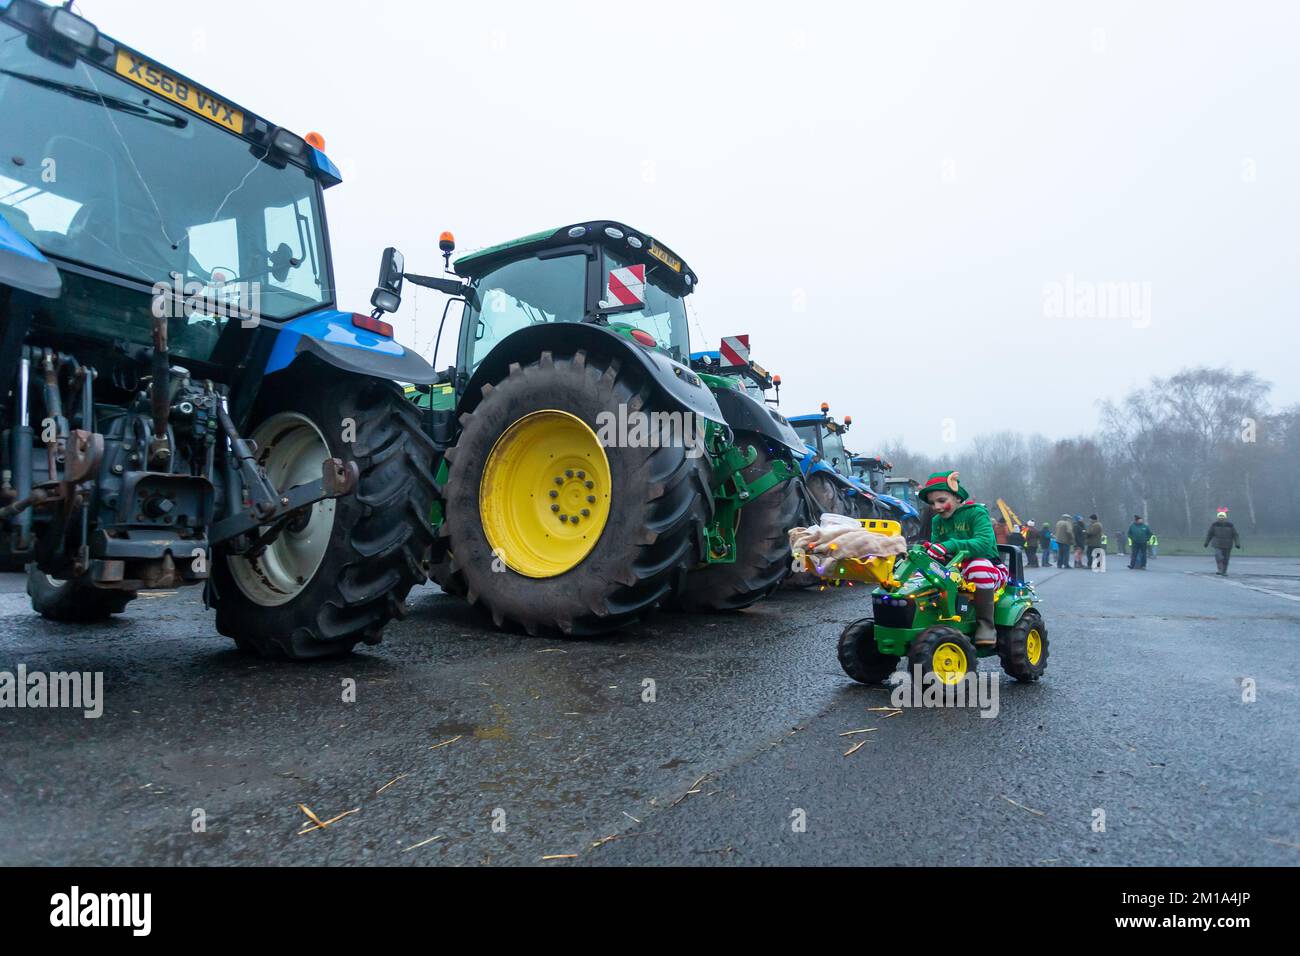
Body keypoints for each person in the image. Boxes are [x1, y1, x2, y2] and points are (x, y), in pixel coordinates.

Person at [916, 470, 1004, 647]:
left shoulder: (976, 513)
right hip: (955, 570)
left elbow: (984, 544)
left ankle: (986, 625)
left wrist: (949, 545)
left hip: (989, 569)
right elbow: (939, 551)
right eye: (932, 503)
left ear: (957, 497)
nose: (937, 507)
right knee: (922, 574)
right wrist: (931, 551)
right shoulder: (937, 521)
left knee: (978, 566)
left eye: (942, 500)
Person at [1203, 510, 1242, 575]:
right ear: (1218, 518)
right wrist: (1206, 543)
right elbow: (1210, 534)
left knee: (1226, 559)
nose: (1221, 519)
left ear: (1225, 518)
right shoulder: (1214, 525)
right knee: (1218, 556)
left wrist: (1237, 544)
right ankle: (1220, 570)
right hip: (1217, 544)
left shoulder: (1230, 525)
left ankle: (1224, 571)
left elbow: (1235, 535)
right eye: (1220, 517)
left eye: (1222, 517)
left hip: (1228, 545)